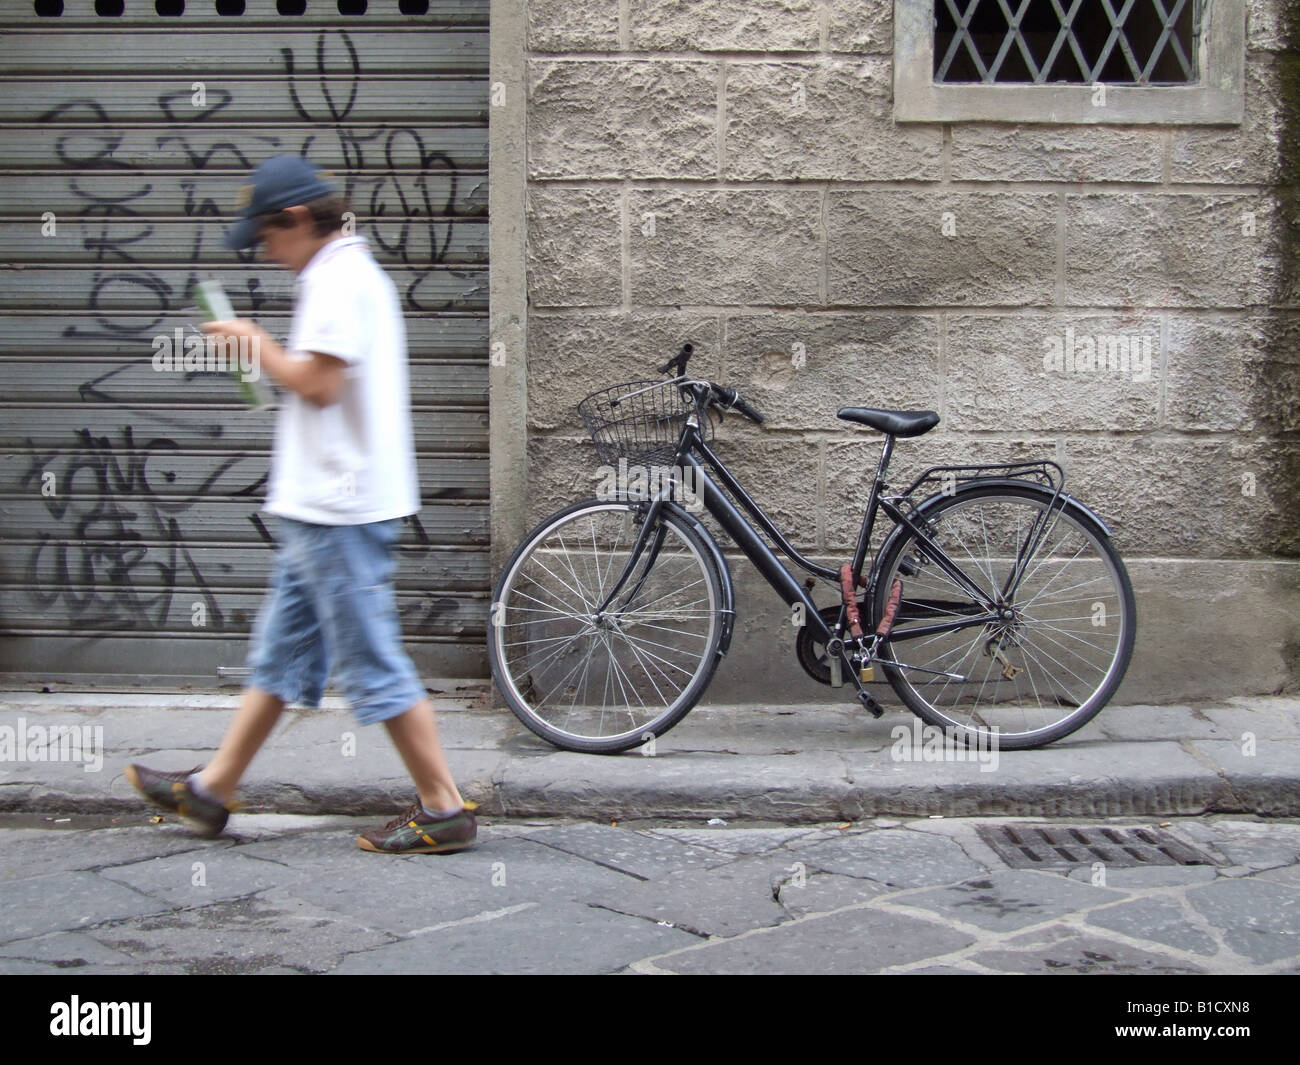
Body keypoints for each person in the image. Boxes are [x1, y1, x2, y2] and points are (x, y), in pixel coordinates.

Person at [125, 155, 476, 854]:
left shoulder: (338, 278)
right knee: (280, 660)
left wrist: (255, 343)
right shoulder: (340, 272)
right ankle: (211, 790)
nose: (265, 252)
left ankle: (443, 806)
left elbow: (317, 384)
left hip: (339, 511)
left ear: (296, 219)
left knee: (373, 660)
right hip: (323, 508)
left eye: (266, 237)